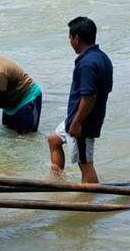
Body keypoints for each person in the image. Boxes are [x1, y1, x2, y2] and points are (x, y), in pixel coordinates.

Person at [48, 17, 113, 184]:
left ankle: (89, 203)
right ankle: (56, 181)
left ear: (76, 38)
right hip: (79, 117)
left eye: (70, 37)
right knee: (54, 139)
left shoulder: (87, 64)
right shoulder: (102, 58)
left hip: (82, 122)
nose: (69, 41)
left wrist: (77, 123)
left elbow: (89, 97)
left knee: (86, 165)